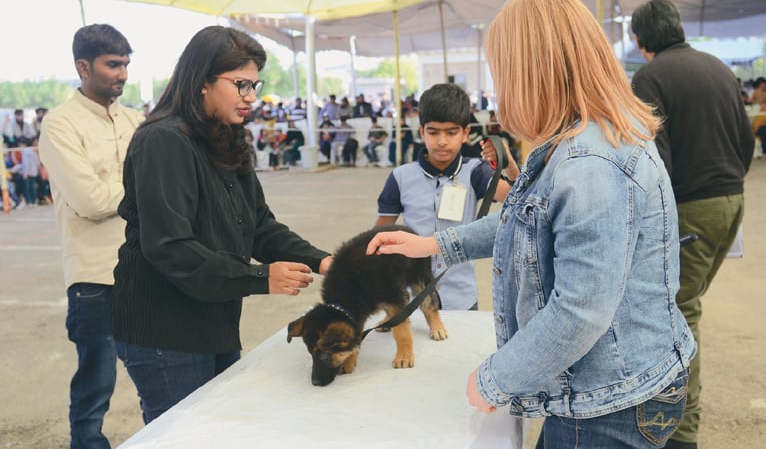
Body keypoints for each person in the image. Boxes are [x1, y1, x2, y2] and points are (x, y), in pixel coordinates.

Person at [367, 0, 696, 448]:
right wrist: (433, 245)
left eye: (503, 75)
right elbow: (524, 220)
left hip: (608, 402)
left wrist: (496, 379)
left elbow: (580, 310)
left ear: (532, 74)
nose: (500, 91)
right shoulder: (582, 140)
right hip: (610, 386)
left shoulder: (588, 165)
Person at [110, 26, 333, 423]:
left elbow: (259, 225)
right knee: (182, 434)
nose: (251, 97)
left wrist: (325, 261)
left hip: (214, 319)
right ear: (202, 82)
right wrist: (260, 276)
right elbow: (170, 246)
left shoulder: (226, 138)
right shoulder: (164, 142)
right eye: (241, 84)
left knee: (219, 429)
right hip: (167, 330)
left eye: (255, 85)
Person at [631, 0, 753, 449]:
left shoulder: (649, 77)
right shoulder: (718, 67)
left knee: (678, 311)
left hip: (691, 208)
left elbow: (653, 156)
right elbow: (745, 139)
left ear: (640, 41)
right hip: (731, 200)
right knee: (687, 302)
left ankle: (681, 432)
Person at [39, 23, 144, 449]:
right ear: (83, 66)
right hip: (94, 275)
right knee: (96, 385)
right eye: (112, 64)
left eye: (125, 64)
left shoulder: (135, 120)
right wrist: (141, 189)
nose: (121, 73)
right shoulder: (60, 125)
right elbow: (90, 200)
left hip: (146, 267)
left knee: (159, 371)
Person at [375, 82, 518, 310]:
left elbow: (520, 200)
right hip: (412, 299)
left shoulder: (476, 173)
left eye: (451, 133)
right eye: (433, 132)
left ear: (465, 133)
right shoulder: (400, 178)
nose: (442, 141)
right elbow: (379, 235)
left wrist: (509, 166)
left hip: (461, 297)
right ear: (421, 132)